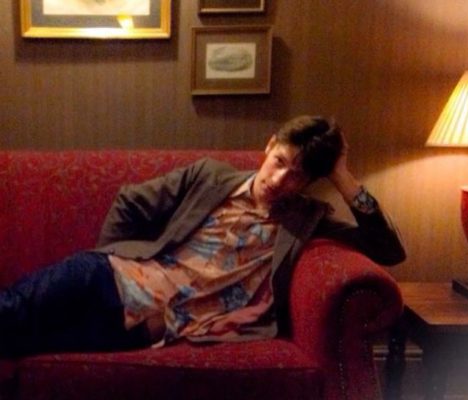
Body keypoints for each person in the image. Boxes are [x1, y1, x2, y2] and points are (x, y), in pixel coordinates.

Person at [0, 115, 406, 358]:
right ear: (268, 146)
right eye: (279, 161)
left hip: (149, 329)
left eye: (296, 175)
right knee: (11, 310)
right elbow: (130, 201)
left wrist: (341, 174)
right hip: (103, 278)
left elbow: (388, 250)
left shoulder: (306, 221)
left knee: (18, 342)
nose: (279, 179)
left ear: (309, 182)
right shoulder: (209, 176)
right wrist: (116, 260)